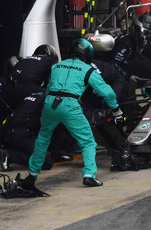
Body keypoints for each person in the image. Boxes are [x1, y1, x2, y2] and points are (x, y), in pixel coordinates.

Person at [19, 38, 124, 192]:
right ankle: (89, 175)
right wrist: (116, 110)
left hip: (50, 103)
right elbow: (106, 92)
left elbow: (48, 87)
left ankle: (32, 175)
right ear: (88, 55)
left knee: (43, 138)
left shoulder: (56, 66)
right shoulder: (88, 70)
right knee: (88, 142)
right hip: (69, 105)